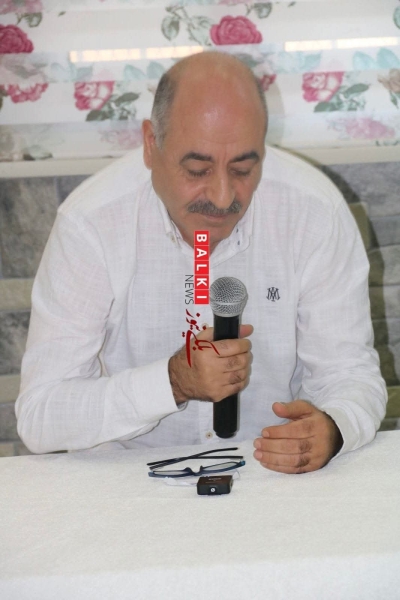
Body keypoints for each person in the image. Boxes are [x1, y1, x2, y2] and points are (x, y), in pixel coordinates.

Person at [16, 52, 387, 474]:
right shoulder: (92, 224)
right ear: (151, 145)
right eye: (197, 169)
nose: (223, 197)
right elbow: (40, 416)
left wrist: (335, 427)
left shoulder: (314, 212)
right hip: (126, 480)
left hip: (270, 474)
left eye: (243, 169)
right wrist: (171, 382)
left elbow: (350, 375)